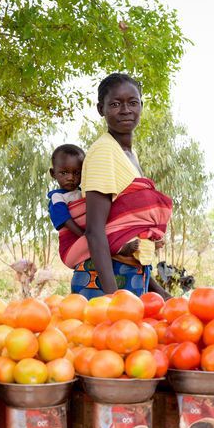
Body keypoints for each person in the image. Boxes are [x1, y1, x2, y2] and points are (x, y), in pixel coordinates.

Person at [59, 73, 171, 299]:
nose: (126, 110)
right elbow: (96, 232)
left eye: (132, 102)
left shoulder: (129, 154)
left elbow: (126, 235)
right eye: (115, 104)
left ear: (141, 105)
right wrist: (114, 299)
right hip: (106, 283)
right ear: (101, 109)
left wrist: (161, 295)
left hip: (131, 280)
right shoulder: (104, 152)